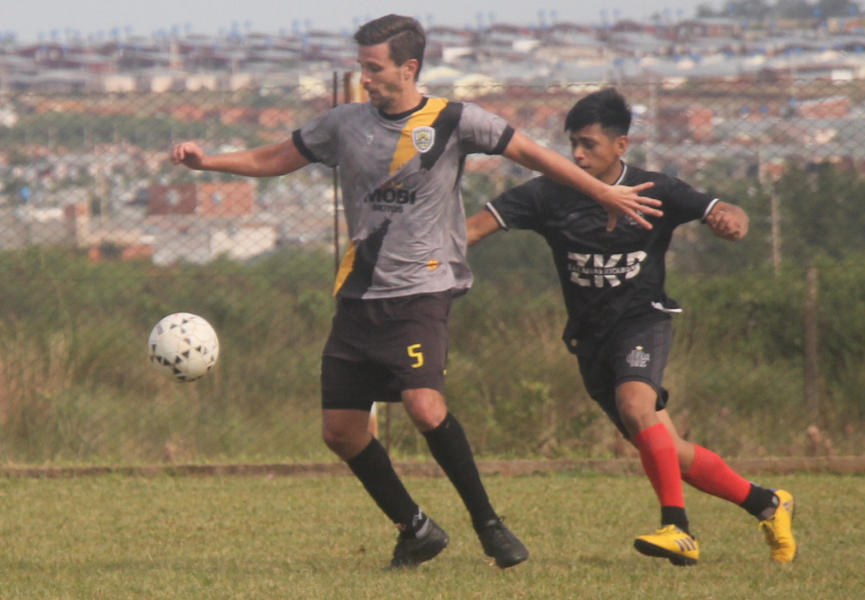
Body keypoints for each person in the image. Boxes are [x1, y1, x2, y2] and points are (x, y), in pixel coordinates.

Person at [170, 16, 662, 570]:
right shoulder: (343, 124)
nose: (364, 78)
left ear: (409, 68)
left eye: (374, 68)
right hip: (360, 293)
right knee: (340, 432)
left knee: (424, 407)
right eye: (361, 67)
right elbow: (273, 159)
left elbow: (530, 154)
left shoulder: (455, 119)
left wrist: (601, 192)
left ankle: (490, 525)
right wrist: (207, 162)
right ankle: (417, 529)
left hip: (422, 290)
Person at [466, 88, 797, 566]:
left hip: (643, 320)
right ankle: (767, 503)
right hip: (590, 338)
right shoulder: (547, 193)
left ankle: (677, 529)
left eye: (589, 144)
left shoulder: (655, 190)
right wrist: (410, 254)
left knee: (636, 405)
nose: (578, 155)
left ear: (621, 145)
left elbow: (727, 210)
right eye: (573, 144)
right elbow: (472, 230)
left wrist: (734, 222)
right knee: (666, 450)